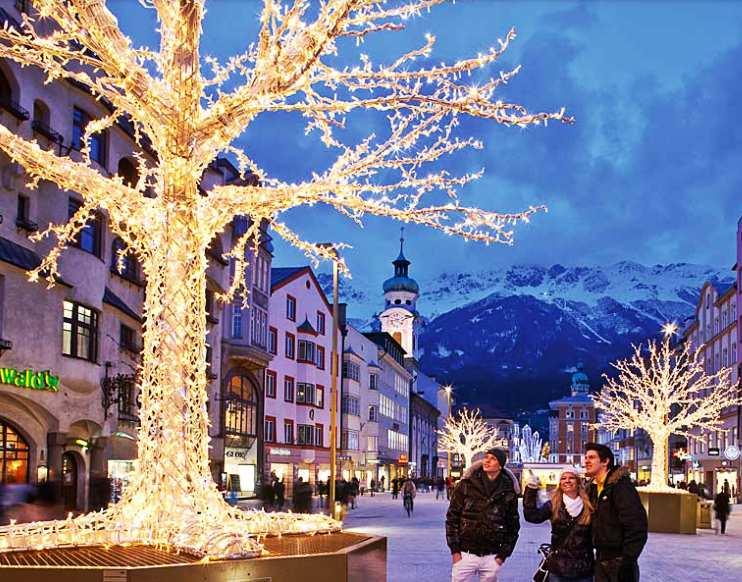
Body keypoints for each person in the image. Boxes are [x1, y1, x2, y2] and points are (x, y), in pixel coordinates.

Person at [446, 448, 520, 582]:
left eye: (493, 459)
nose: (487, 461)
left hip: (492, 555)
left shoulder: (508, 490)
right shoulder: (466, 484)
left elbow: (513, 526)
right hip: (465, 553)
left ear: (500, 465)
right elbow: (452, 518)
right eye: (486, 457)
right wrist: (455, 550)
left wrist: (502, 556)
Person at [584, 443, 647, 582]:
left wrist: (627, 560)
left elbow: (636, 524)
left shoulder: (620, 486)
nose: (586, 461)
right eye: (586, 457)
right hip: (600, 559)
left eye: (592, 457)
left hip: (618, 561)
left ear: (605, 461)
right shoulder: (592, 488)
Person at [524, 467, 595, 582]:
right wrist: (531, 489)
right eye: (563, 478)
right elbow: (532, 516)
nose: (567, 481)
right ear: (560, 483)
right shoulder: (553, 504)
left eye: (571, 477)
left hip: (583, 569)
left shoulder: (589, 505)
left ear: (578, 482)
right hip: (558, 569)